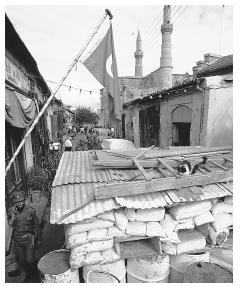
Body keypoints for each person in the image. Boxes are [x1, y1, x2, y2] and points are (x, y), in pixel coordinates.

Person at [8, 191, 41, 281]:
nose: (19, 203)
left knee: (29, 260)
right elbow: (10, 223)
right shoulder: (11, 211)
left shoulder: (31, 211)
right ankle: (26, 271)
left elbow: (37, 225)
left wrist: (39, 239)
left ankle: (32, 274)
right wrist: (12, 216)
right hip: (17, 240)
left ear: (24, 200)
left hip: (28, 239)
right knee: (21, 260)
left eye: (21, 201)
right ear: (14, 202)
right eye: (17, 202)